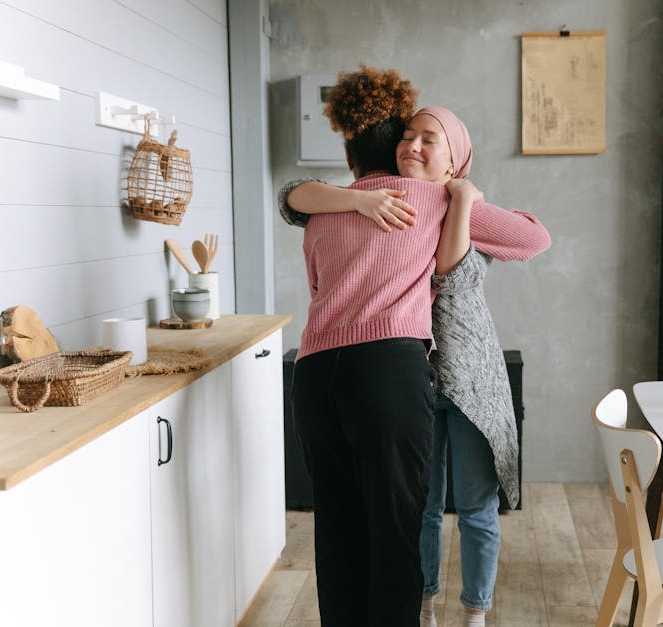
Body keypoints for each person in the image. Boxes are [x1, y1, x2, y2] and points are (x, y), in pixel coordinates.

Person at [278, 67, 549, 627]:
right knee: (396, 530)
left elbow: (296, 218)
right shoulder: (430, 200)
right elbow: (532, 239)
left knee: (337, 527)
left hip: (312, 375)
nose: (415, 146)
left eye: (428, 139)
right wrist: (464, 198)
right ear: (391, 143)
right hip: (386, 372)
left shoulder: (320, 211)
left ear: (349, 148)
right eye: (409, 136)